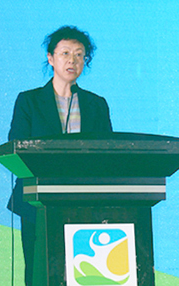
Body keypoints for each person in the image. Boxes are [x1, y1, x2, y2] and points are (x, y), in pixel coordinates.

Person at [7, 25, 112, 285]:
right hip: (38, 203)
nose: (72, 60)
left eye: (79, 55)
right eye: (65, 53)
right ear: (51, 58)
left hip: (85, 203)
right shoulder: (29, 101)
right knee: (39, 273)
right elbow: (16, 147)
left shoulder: (96, 105)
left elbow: (108, 154)